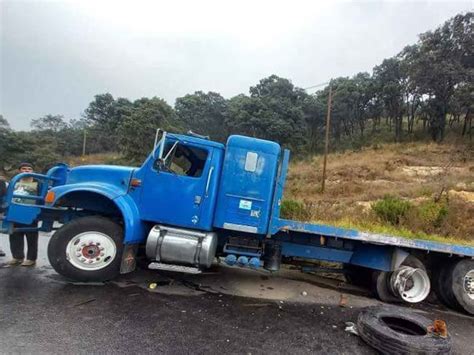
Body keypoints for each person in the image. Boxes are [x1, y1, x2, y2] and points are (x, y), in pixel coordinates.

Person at [8, 162, 39, 267]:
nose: (26, 171)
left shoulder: (38, 182)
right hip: (15, 211)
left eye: (29, 169)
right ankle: (17, 257)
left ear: (32, 171)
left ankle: (31, 259)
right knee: (15, 235)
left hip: (31, 212)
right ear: (19, 170)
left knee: (31, 236)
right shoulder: (14, 181)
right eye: (24, 169)